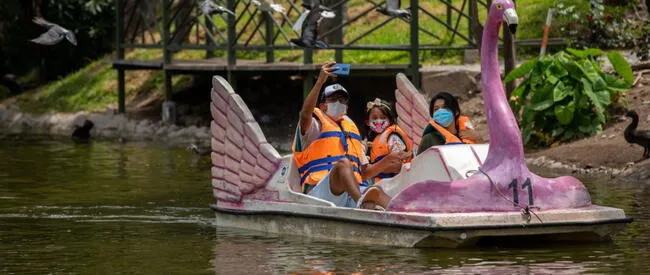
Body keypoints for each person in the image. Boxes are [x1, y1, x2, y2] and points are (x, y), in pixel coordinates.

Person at [292, 62, 405, 209]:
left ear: (346, 107)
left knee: (377, 191)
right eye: (333, 100)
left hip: (351, 192)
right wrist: (320, 81)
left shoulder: (352, 131)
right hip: (319, 194)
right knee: (343, 164)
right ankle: (361, 205)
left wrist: (387, 160)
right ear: (322, 106)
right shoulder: (315, 125)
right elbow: (305, 114)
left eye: (341, 100)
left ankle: (406, 215)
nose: (338, 103)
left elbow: (364, 173)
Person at [364, 98, 413, 184]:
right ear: (367, 122)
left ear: (390, 120)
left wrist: (372, 169)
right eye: (374, 118)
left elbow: (398, 165)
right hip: (381, 185)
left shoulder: (393, 136)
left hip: (395, 185)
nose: (378, 121)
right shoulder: (371, 140)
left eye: (383, 117)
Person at [416, 92, 481, 155]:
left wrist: (478, 139)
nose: (440, 111)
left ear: (456, 112)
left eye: (445, 107)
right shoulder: (429, 139)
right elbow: (419, 164)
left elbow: (485, 157)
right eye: (436, 109)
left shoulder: (469, 134)